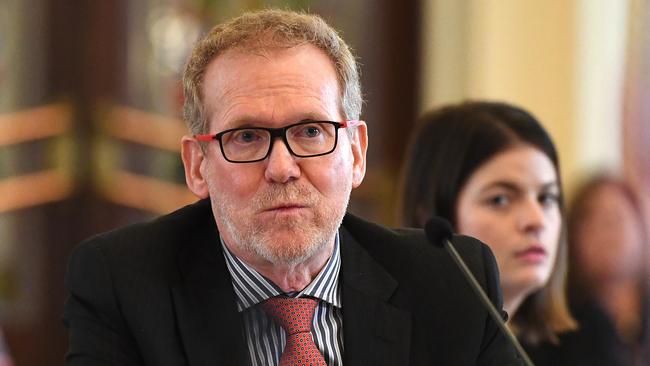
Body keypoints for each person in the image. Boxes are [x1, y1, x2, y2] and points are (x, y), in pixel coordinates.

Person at [63, 10, 522, 366]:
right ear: (197, 165)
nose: (282, 168)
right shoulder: (121, 283)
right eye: (246, 137)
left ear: (357, 152)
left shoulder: (451, 282)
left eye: (310, 132)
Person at [400, 101, 577, 349]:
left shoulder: (574, 346)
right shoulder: (394, 348)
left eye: (546, 198)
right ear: (431, 217)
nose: (537, 221)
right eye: (500, 199)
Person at [529, 175, 649, 365]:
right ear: (572, 238)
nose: (607, 234)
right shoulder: (553, 331)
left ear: (641, 229)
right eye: (593, 222)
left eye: (616, 219)